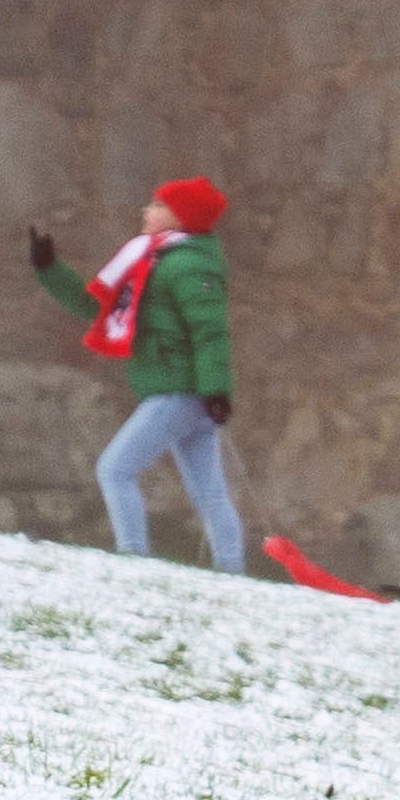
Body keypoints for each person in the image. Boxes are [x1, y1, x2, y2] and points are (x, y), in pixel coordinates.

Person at [32, 178, 243, 573]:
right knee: (209, 494)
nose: (147, 211)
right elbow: (99, 307)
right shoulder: (150, 259)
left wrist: (216, 389)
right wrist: (50, 269)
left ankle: (133, 560)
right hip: (182, 392)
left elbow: (210, 331)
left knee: (115, 469)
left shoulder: (190, 265)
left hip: (179, 391)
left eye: (157, 205)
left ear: (180, 217)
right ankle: (232, 571)